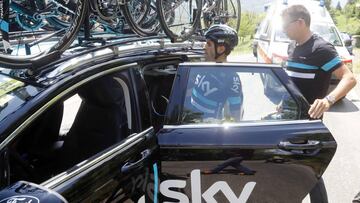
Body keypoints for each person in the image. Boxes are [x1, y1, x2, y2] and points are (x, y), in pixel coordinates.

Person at [281, 5, 357, 119]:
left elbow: (350, 79)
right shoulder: (291, 46)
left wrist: (328, 100)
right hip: (289, 114)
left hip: (308, 119)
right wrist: (284, 101)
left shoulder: (321, 49)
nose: (283, 30)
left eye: (286, 25)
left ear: (300, 23)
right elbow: (294, 81)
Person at [183, 24, 243, 123]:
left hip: (203, 131)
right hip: (186, 121)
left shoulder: (232, 78)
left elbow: (235, 119)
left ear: (221, 49)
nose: (204, 47)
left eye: (209, 44)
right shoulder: (203, 66)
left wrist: (215, 123)